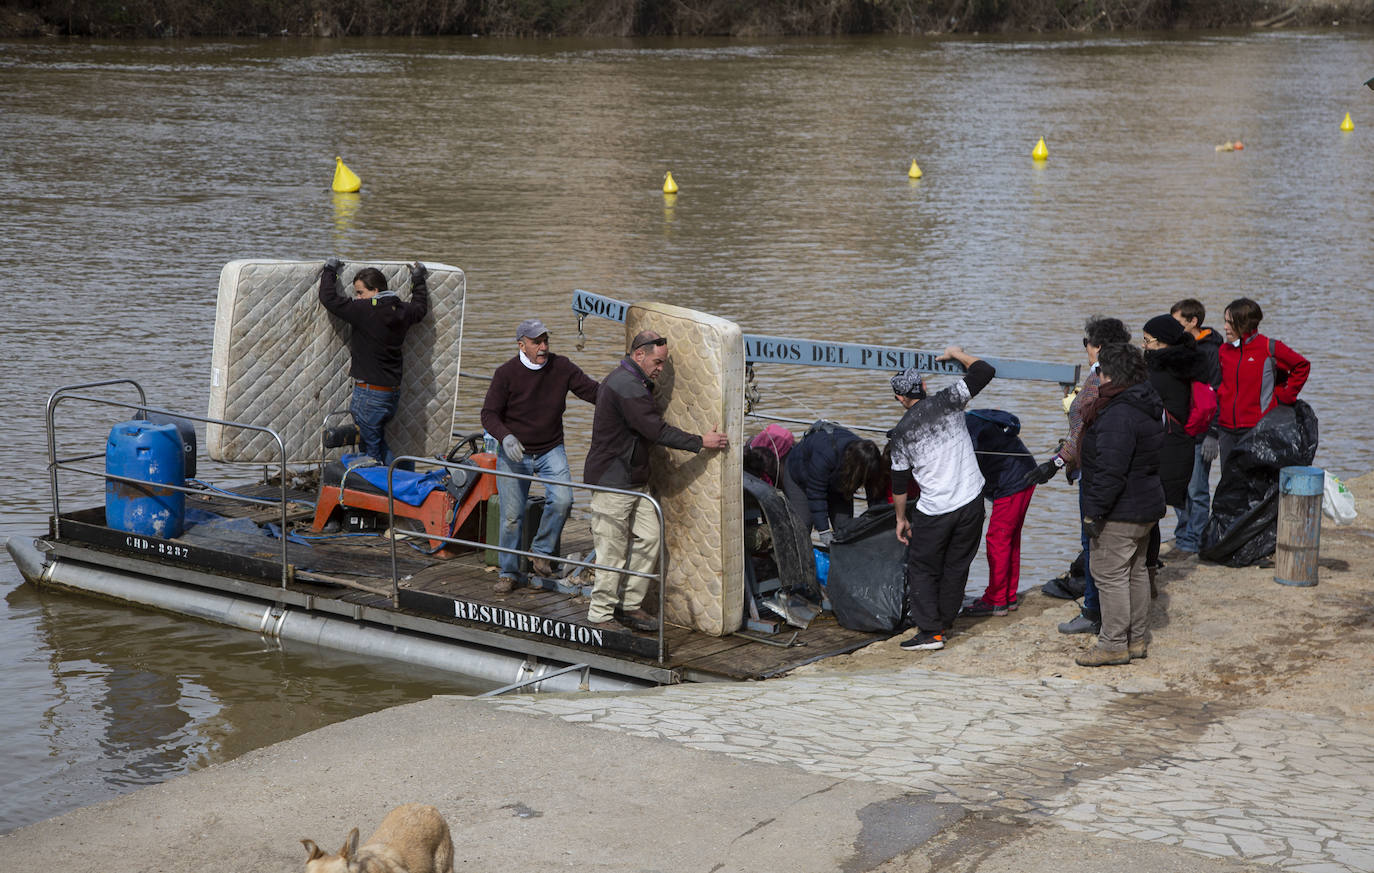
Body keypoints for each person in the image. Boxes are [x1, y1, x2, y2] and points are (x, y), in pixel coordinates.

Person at [583, 330, 729, 633]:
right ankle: (600, 614)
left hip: (634, 478)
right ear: (639, 355)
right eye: (657, 362)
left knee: (650, 538)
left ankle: (629, 604)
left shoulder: (635, 382)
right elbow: (656, 431)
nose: (660, 369)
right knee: (611, 549)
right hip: (614, 480)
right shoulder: (628, 386)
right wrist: (701, 441)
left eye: (662, 363)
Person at [1024, 316, 1132, 637]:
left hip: (1093, 470)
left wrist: (1056, 462)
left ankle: (1093, 611)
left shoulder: (1101, 380)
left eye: (1086, 342)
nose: (1084, 348)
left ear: (1098, 346)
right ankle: (1109, 609)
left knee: (1093, 541)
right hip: (1097, 466)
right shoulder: (1111, 374)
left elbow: (1081, 431)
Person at [480, 318, 600, 594]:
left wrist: (626, 394)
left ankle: (541, 552)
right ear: (521, 345)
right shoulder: (506, 373)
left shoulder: (562, 367)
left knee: (563, 499)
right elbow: (488, 414)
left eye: (546, 340)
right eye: (537, 342)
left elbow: (594, 392)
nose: (543, 346)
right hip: (514, 453)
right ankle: (509, 572)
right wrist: (505, 437)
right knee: (511, 517)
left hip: (550, 448)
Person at [888, 347, 996, 652]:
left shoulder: (901, 434)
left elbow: (899, 483)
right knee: (957, 565)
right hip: (973, 500)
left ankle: (931, 632)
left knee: (922, 567)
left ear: (900, 399)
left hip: (936, 511)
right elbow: (985, 371)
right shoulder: (949, 400)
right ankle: (945, 621)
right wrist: (958, 354)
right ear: (922, 387)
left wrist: (900, 518)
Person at [1075, 343, 1166, 667]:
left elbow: (1111, 471)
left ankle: (1113, 644)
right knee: (1136, 572)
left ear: (1111, 373)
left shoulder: (1119, 414)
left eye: (1100, 370)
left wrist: (1093, 511)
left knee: (1110, 574)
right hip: (1146, 504)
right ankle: (1136, 639)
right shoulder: (1146, 403)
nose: (1097, 376)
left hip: (1121, 510)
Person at [318, 258, 430, 466]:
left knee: (371, 452)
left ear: (376, 290)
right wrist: (418, 279)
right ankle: (402, 479)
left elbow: (328, 298)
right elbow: (420, 307)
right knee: (376, 444)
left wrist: (330, 269)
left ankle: (395, 486)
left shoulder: (364, 310)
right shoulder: (402, 311)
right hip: (391, 393)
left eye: (360, 292)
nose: (357, 298)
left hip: (369, 394)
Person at [1141, 314, 1207, 588]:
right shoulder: (1189, 364)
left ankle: (1146, 577)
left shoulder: (1158, 372)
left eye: (1146, 341)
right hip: (1181, 443)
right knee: (1154, 513)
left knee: (1146, 515)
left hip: (1162, 447)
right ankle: (1150, 574)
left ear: (1161, 343)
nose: (1143, 346)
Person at [1217, 297, 1311, 468]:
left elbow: (1302, 366)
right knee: (1228, 485)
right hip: (1226, 430)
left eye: (1230, 322)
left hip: (1256, 429)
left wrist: (1285, 396)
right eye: (1225, 321)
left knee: (1254, 484)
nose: (1225, 327)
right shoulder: (1224, 350)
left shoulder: (1269, 347)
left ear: (1244, 323)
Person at [960, 410, 1036, 617]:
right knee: (1010, 539)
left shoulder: (965, 430)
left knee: (998, 540)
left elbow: (967, 468)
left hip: (1011, 481)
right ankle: (1008, 596)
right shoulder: (969, 419)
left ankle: (996, 600)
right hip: (1025, 473)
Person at [1169, 298, 1223, 555]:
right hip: (1179, 430)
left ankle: (1194, 540)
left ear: (1193, 321)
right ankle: (1183, 534)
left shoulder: (1211, 351)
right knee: (1178, 486)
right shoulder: (1178, 348)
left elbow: (1217, 393)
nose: (1173, 327)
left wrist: (1213, 432)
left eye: (1177, 321)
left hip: (1201, 431)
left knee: (1197, 489)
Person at [781, 423, 882, 544]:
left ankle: (842, 560)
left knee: (844, 527)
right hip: (800, 477)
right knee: (803, 526)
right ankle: (797, 560)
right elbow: (816, 493)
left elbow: (874, 491)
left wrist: (877, 517)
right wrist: (824, 531)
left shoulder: (868, 457)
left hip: (837, 481)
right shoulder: (825, 454)